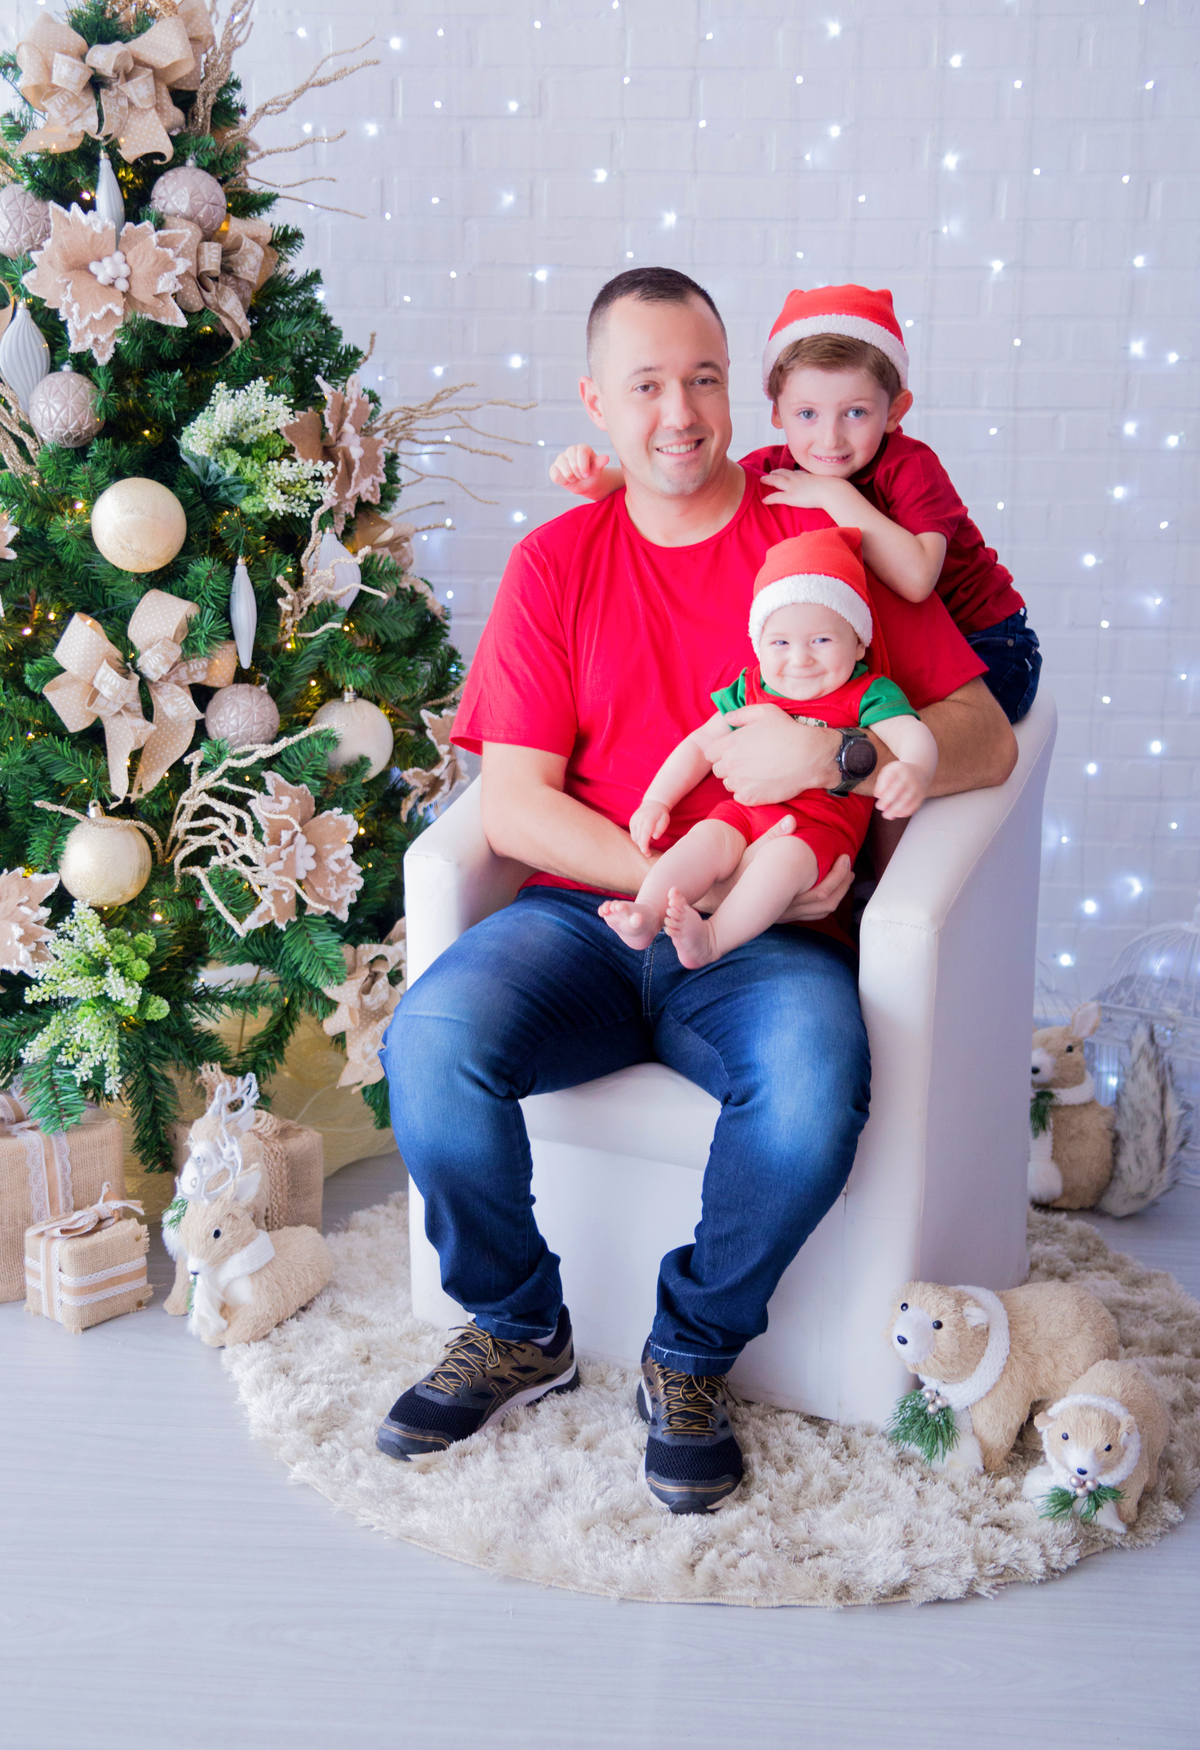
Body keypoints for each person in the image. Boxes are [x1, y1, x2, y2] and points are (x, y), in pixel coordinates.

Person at [378, 266, 1017, 1516]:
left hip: (773, 936)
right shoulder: (558, 560)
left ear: (737, 392)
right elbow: (515, 808)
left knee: (813, 1094)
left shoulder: (814, 539)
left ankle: (689, 1353)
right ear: (596, 403)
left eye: (705, 380)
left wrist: (836, 762)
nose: (680, 413)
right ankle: (516, 1325)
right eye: (647, 386)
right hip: (585, 918)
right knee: (430, 1042)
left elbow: (983, 735)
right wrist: (673, 882)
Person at [550, 283, 1042, 726]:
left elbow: (916, 580)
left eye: (856, 412)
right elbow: (691, 476)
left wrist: (832, 494)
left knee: (890, 737)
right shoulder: (782, 465)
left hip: (991, 642)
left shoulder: (911, 468)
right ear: (776, 412)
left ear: (895, 411)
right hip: (908, 645)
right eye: (807, 413)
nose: (829, 439)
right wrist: (602, 480)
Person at [601, 527, 938, 970]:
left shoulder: (866, 693)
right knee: (704, 839)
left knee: (781, 860)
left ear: (859, 642)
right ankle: (647, 912)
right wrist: (657, 800)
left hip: (816, 833)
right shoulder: (753, 688)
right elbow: (700, 743)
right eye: (780, 642)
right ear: (759, 645)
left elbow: (912, 734)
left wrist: (915, 769)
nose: (800, 658)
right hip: (744, 814)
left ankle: (714, 938)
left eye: (821, 640)